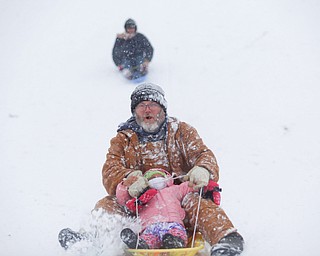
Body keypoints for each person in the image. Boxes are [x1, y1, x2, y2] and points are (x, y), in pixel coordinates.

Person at [95, 82, 245, 256]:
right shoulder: (123, 139)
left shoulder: (181, 131)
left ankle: (226, 239)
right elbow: (110, 169)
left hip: (178, 205)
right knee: (108, 204)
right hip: (139, 207)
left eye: (152, 105)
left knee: (198, 203)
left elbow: (203, 154)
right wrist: (128, 179)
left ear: (162, 109)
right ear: (134, 112)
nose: (147, 110)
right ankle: (92, 239)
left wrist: (203, 169)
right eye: (141, 106)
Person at [117, 168, 202, 249]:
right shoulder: (142, 197)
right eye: (152, 178)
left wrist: (200, 181)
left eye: (159, 177)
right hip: (149, 226)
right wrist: (125, 185)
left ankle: (175, 242)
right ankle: (140, 244)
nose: (156, 179)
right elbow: (122, 198)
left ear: (166, 179)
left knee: (177, 232)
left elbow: (189, 186)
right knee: (149, 237)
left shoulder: (174, 190)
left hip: (172, 222)